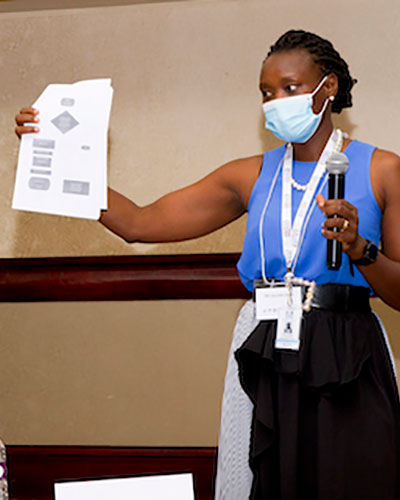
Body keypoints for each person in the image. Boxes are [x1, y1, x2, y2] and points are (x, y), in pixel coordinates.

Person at [15, 29, 400, 500]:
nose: (276, 102)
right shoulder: (248, 174)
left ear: (329, 86)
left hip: (347, 351)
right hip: (267, 348)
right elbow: (139, 222)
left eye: (290, 88)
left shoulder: (382, 170)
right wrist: (55, 155)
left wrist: (360, 248)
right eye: (266, 93)